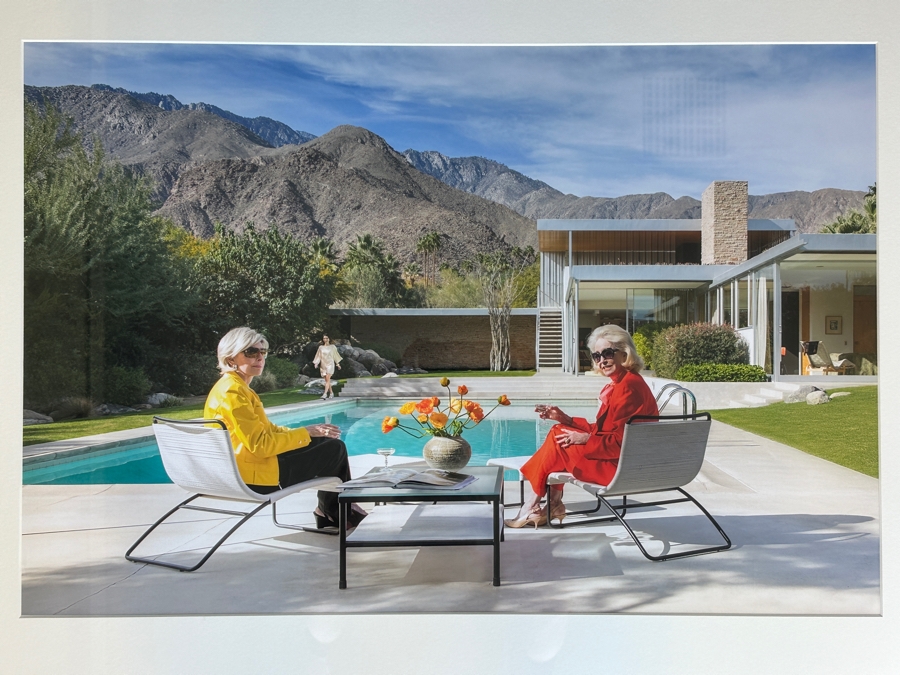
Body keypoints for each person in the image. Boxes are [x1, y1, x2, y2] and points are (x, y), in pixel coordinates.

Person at [204, 327, 366, 530]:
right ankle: (336, 510)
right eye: (251, 352)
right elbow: (261, 446)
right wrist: (305, 433)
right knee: (334, 449)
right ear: (230, 359)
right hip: (255, 479)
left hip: (247, 470)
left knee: (326, 442)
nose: (259, 357)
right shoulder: (233, 392)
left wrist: (309, 431)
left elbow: (267, 430)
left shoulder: (234, 387)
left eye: (262, 352)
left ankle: (332, 510)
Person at [505, 324, 659, 528]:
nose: (602, 360)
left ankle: (533, 505)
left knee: (558, 436)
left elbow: (621, 443)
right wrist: (567, 420)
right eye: (596, 356)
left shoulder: (627, 388)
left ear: (624, 353)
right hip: (625, 465)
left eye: (607, 353)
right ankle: (552, 502)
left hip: (620, 470)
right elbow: (607, 431)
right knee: (560, 432)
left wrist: (585, 438)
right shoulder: (625, 383)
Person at [312, 334, 342, 400]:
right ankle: (331, 393)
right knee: (327, 381)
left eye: (326, 338)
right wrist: (316, 363)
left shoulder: (333, 347)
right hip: (323, 365)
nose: (325, 339)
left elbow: (335, 356)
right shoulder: (321, 347)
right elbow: (318, 356)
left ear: (329, 339)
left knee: (328, 378)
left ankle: (325, 394)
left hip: (330, 364)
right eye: (324, 338)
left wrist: (338, 364)